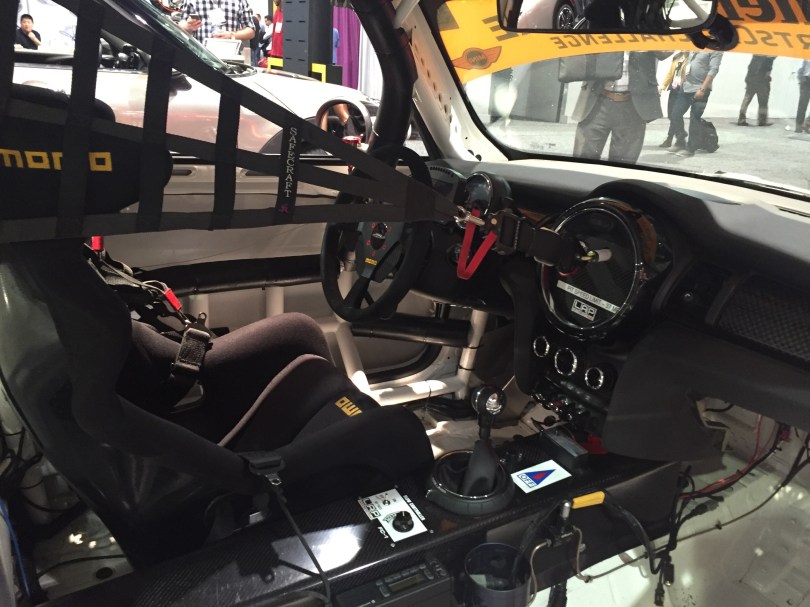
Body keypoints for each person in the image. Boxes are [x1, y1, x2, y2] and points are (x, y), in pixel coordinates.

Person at [572, 51, 670, 164]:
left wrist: (645, 42)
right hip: (597, 101)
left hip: (633, 105)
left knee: (623, 163)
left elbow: (666, 52)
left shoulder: (646, 39)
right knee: (583, 158)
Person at [667, 50, 723, 157]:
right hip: (686, 87)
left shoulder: (715, 50)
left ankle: (691, 148)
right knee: (674, 114)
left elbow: (713, 70)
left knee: (694, 119)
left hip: (701, 89)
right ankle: (680, 141)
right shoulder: (693, 46)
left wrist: (702, 89)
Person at [178, 0, 254, 44]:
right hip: (200, 54)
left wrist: (231, 35)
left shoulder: (240, 1)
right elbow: (181, 24)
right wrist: (187, 26)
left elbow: (251, 30)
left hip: (230, 56)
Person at [658, 51, 690, 150]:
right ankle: (678, 135)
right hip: (674, 89)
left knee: (675, 114)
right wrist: (663, 86)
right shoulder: (677, 57)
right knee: (671, 115)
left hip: (683, 90)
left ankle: (674, 138)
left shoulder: (692, 58)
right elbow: (670, 74)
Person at [737, 55, 775, 127]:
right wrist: (767, 80)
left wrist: (748, 80)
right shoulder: (769, 59)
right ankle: (762, 121)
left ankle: (741, 119)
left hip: (751, 80)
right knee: (763, 102)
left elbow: (750, 68)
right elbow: (767, 72)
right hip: (762, 82)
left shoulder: (756, 56)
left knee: (747, 99)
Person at [796, 60, 810, 134]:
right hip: (806, 80)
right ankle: (799, 125)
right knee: (803, 103)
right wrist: (801, 78)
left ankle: (807, 123)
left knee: (802, 103)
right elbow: (801, 66)